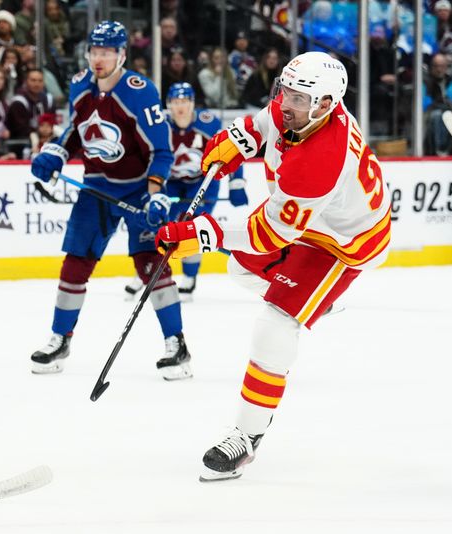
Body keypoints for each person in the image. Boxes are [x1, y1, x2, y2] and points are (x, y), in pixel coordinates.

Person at [155, 52, 391, 481]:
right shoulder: (302, 109)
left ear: (325, 104)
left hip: (345, 244)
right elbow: (265, 122)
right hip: (315, 220)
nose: (285, 102)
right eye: (285, 90)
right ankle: (315, 302)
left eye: (298, 98)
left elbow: (270, 235)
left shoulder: (321, 159)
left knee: (275, 321)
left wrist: (203, 232)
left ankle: (247, 437)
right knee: (239, 270)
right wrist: (235, 139)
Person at [28, 21, 192, 379]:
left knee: (151, 266)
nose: (99, 58)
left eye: (107, 52)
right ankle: (60, 338)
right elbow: (75, 129)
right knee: (75, 263)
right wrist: (55, 153)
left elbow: (161, 151)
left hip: (135, 189)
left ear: (121, 55)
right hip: (96, 188)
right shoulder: (79, 86)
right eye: (94, 51)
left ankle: (177, 346)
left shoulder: (139, 91)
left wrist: (155, 196)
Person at [162, 81, 249, 299]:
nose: (180, 107)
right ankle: (152, 273)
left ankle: (189, 278)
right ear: (168, 104)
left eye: (184, 101)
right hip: (170, 183)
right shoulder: (160, 126)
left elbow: (232, 151)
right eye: (175, 102)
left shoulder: (208, 123)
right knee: (163, 228)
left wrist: (236, 182)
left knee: (192, 229)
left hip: (202, 184)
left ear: (193, 104)